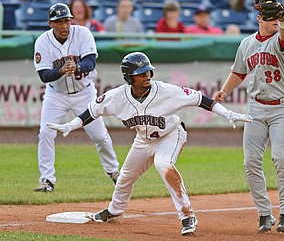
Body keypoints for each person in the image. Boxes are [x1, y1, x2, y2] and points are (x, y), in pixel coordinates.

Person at [46, 52, 253, 236]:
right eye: (141, 73)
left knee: (163, 165)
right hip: (143, 140)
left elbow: (201, 99)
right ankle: (114, 210)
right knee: (126, 176)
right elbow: (92, 111)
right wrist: (70, 126)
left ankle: (187, 215)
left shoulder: (166, 91)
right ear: (129, 77)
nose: (147, 76)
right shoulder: (117, 97)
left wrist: (228, 114)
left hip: (171, 135)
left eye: (148, 72)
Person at [214, 0, 284, 233]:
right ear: (260, 18)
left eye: (278, 17)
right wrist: (224, 90)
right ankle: (264, 214)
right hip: (256, 107)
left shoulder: (283, 38)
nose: (275, 21)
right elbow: (239, 72)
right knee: (251, 161)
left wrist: (283, 21)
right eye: (271, 17)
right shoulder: (246, 44)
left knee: (282, 159)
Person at [33, 3, 120, 192]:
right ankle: (47, 180)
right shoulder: (42, 42)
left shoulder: (83, 34)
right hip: (56, 94)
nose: (64, 26)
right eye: (59, 22)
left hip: (85, 93)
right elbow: (44, 76)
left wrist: (77, 67)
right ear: (51, 24)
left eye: (67, 21)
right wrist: (61, 70)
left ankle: (114, 172)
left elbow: (90, 61)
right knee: (46, 132)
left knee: (100, 135)